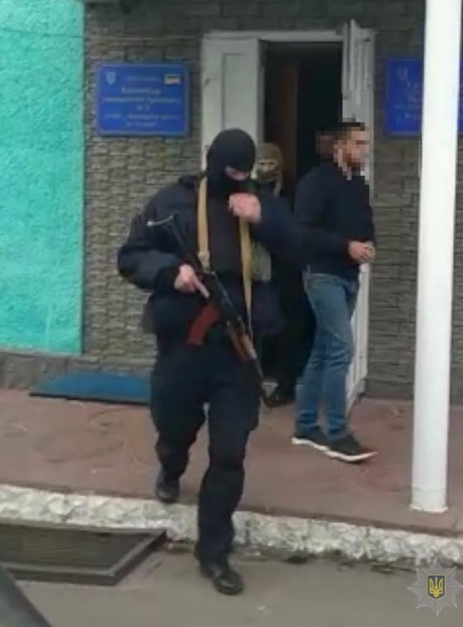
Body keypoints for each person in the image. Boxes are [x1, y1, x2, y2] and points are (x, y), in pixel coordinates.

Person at [116, 129, 304, 596]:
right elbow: (131, 255)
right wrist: (169, 272)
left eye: (244, 173)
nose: (237, 179)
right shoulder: (172, 201)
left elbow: (300, 250)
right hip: (183, 344)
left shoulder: (262, 204)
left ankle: (214, 551)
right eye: (230, 171)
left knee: (230, 451)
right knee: (173, 423)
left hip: (237, 348)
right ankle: (171, 464)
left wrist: (265, 219)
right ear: (211, 161)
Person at [292, 120, 377, 463]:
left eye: (365, 143)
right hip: (322, 274)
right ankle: (338, 433)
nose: (364, 150)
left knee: (324, 349)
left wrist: (368, 243)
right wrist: (346, 246)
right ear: (340, 146)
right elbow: (303, 231)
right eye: (358, 143)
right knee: (342, 348)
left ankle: (305, 425)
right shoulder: (315, 183)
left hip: (349, 276)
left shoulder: (358, 185)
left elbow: (365, 223)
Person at [253, 143, 315, 407]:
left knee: (290, 326)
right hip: (258, 268)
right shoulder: (250, 190)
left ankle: (285, 383)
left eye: (271, 163)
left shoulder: (292, 190)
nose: (266, 169)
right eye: (262, 163)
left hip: (287, 269)